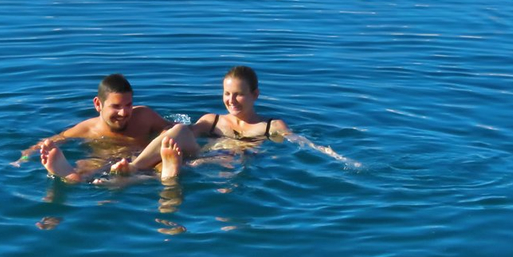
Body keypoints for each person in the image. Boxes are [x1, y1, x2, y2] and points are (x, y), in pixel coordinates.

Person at [113, 65, 354, 179]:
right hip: (203, 157)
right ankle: (137, 167)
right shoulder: (212, 120)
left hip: (232, 164)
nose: (231, 100)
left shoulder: (271, 127)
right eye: (227, 94)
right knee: (178, 131)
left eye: (238, 94)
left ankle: (152, 173)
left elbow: (303, 143)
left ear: (255, 95)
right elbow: (181, 131)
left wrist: (336, 156)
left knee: (224, 162)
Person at [22, 73, 198, 182]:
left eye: (128, 105)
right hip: (108, 162)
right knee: (90, 167)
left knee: (172, 141)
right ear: (98, 104)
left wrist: (163, 134)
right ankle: (73, 176)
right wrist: (23, 158)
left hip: (142, 159)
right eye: (116, 107)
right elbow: (54, 140)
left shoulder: (144, 115)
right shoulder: (86, 129)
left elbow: (169, 128)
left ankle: (141, 171)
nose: (124, 113)